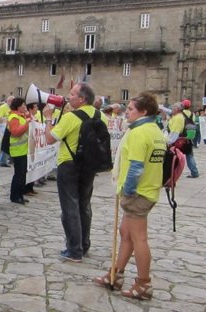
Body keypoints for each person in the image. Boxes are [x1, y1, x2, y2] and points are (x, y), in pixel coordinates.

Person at [94, 92, 166, 300]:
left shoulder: (139, 132)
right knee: (125, 232)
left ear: (143, 112)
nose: (127, 112)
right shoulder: (155, 130)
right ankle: (115, 274)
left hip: (138, 192)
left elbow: (135, 166)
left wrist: (127, 191)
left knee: (138, 238)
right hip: (149, 189)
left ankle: (143, 283)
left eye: (131, 109)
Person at [43, 82, 104, 262]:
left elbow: (49, 139)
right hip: (90, 165)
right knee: (84, 205)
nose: (69, 97)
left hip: (69, 164)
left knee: (70, 206)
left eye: (72, 94)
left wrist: (48, 118)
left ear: (82, 99)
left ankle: (74, 250)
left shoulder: (71, 118)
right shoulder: (101, 116)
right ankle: (84, 245)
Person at [7, 98, 31, 205]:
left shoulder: (21, 116)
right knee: (19, 174)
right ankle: (15, 196)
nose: (25, 106)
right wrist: (26, 124)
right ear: (18, 106)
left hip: (23, 150)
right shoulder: (14, 117)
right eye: (23, 105)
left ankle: (20, 194)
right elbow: (15, 132)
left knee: (22, 174)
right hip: (17, 150)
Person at [167, 101, 199, 178]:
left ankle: (173, 173)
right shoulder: (192, 114)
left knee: (175, 156)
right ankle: (194, 172)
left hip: (179, 138)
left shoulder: (179, 115)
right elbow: (193, 123)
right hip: (188, 137)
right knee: (189, 156)